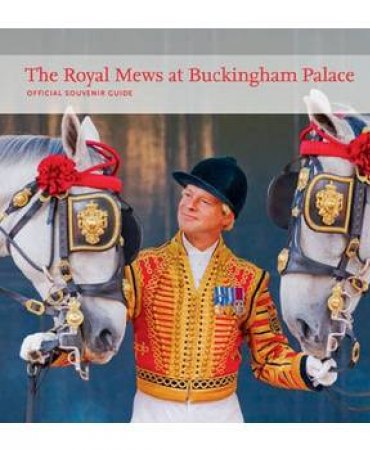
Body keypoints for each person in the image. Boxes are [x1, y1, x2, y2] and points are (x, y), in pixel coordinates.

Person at [21, 156, 337, 422]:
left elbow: (268, 356)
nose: (189, 205)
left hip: (222, 417)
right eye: (187, 195)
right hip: (153, 414)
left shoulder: (248, 280)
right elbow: (98, 334)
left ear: (226, 218)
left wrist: (307, 369)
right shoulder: (143, 269)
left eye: (204, 200)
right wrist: (53, 347)